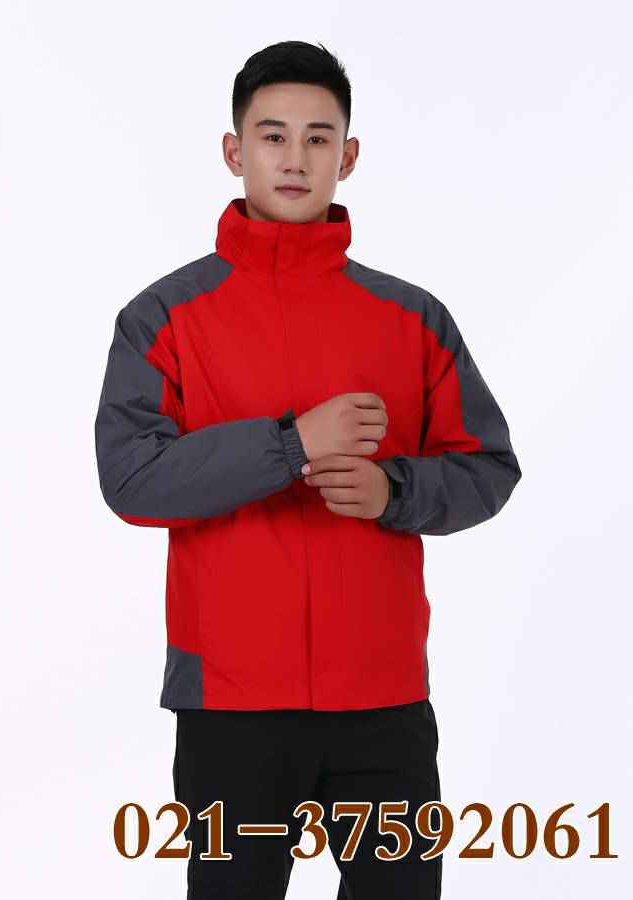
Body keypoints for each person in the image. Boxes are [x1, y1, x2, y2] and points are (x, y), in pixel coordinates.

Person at [94, 39, 521, 900]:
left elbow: (488, 467)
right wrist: (291, 445)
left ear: (348, 157)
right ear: (234, 151)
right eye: (273, 135)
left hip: (384, 702)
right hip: (231, 707)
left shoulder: (412, 317)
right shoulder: (164, 317)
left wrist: (395, 491)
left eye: (318, 138)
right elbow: (131, 479)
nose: (295, 158)